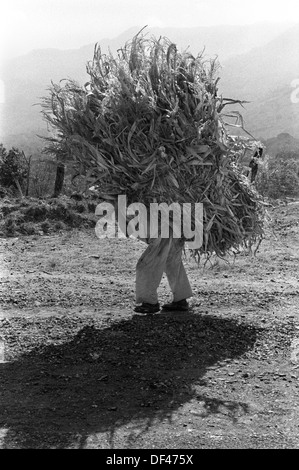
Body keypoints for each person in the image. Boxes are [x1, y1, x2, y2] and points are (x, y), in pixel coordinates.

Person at [134, 234, 193, 314]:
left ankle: (149, 302)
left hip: (163, 229)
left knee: (149, 263)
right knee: (172, 260)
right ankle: (180, 299)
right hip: (171, 228)